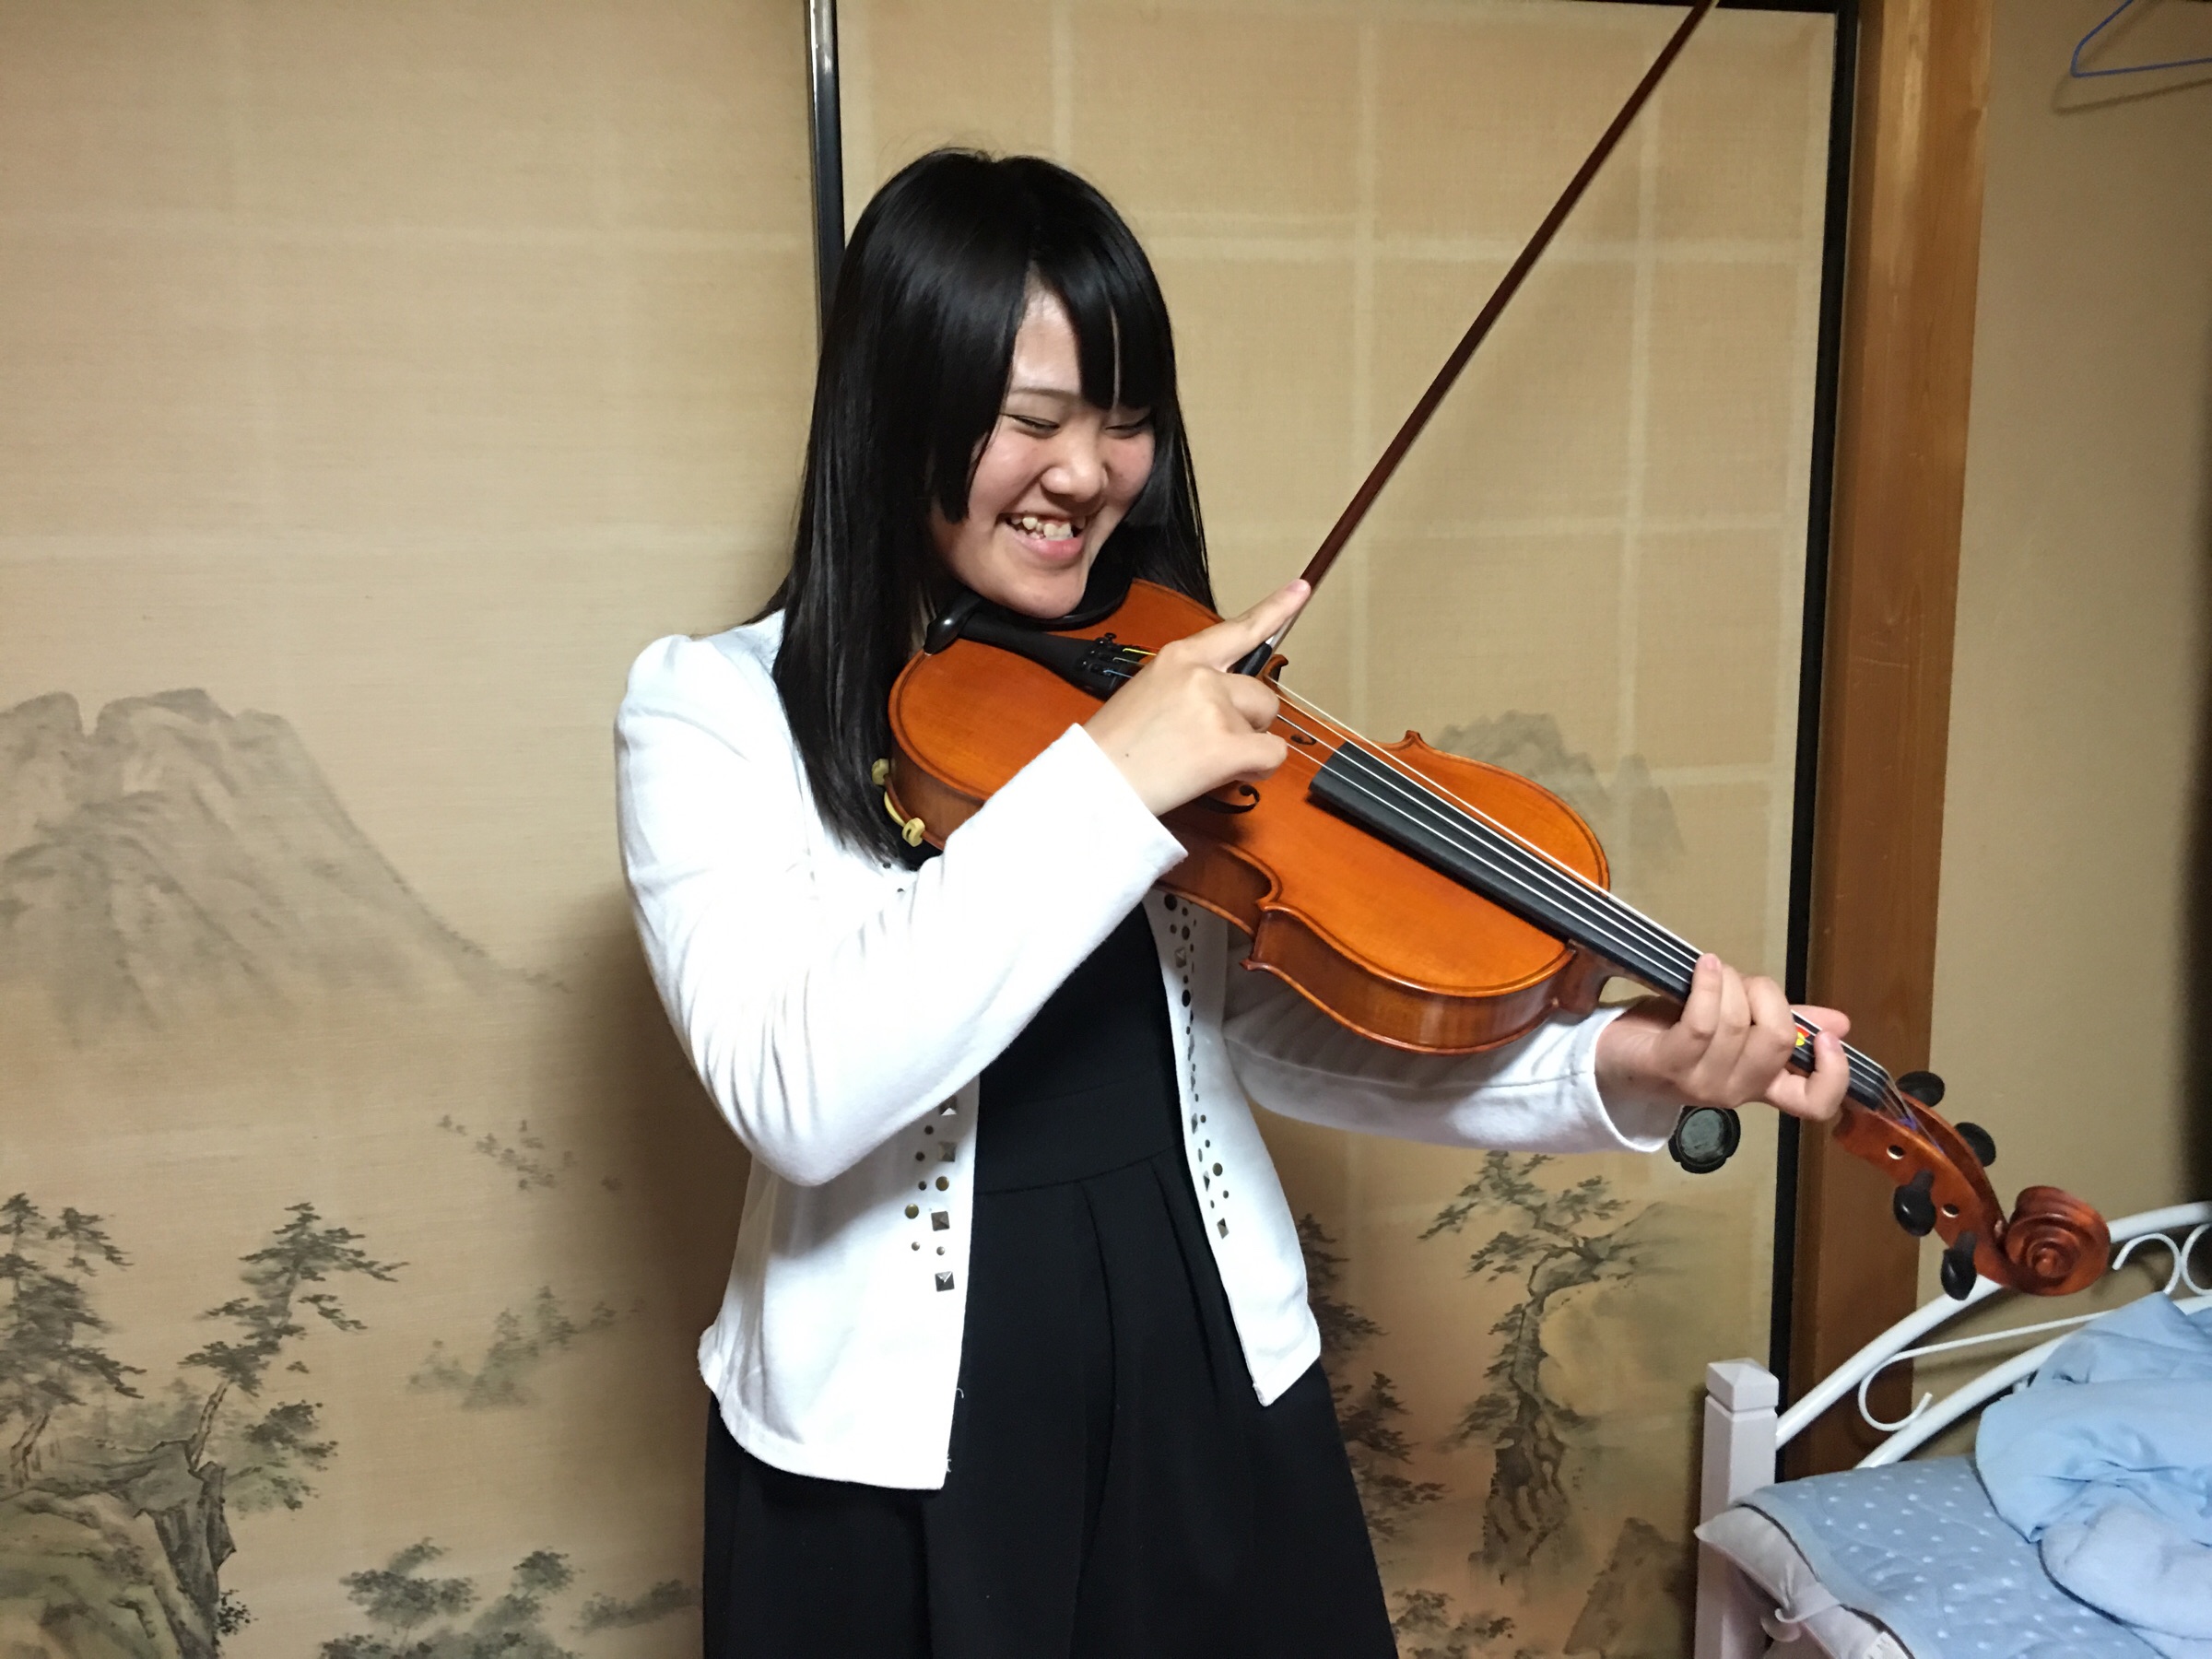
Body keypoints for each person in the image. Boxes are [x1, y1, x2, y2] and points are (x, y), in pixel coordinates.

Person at [616, 149, 1848, 1659]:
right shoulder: (712, 712)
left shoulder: (1154, 663)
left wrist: (1622, 1068)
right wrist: (1108, 780)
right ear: (896, 406)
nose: (1090, 475)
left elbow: (1272, 1032)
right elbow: (795, 1096)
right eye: (1032, 421)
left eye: (1126, 420)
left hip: (1207, 1377)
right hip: (891, 1455)